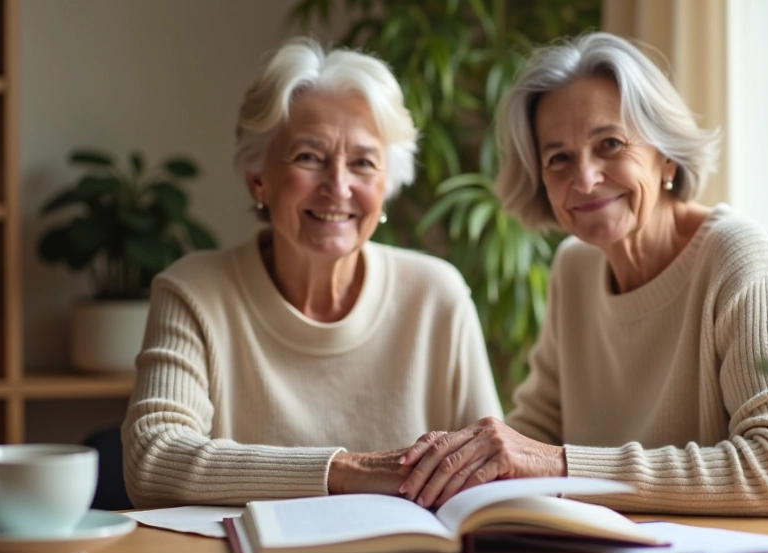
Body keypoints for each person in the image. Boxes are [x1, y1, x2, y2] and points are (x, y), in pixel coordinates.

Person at [397, 32, 768, 517]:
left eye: (610, 144)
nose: (584, 179)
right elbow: (536, 432)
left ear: (666, 154)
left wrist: (560, 466)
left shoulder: (742, 258)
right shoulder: (574, 268)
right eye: (558, 158)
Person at [122, 38, 502, 508]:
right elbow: (153, 460)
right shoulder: (195, 291)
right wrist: (345, 472)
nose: (337, 187)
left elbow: (490, 471)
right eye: (309, 157)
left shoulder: (436, 294)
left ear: (386, 185)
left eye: (363, 163)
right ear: (258, 177)